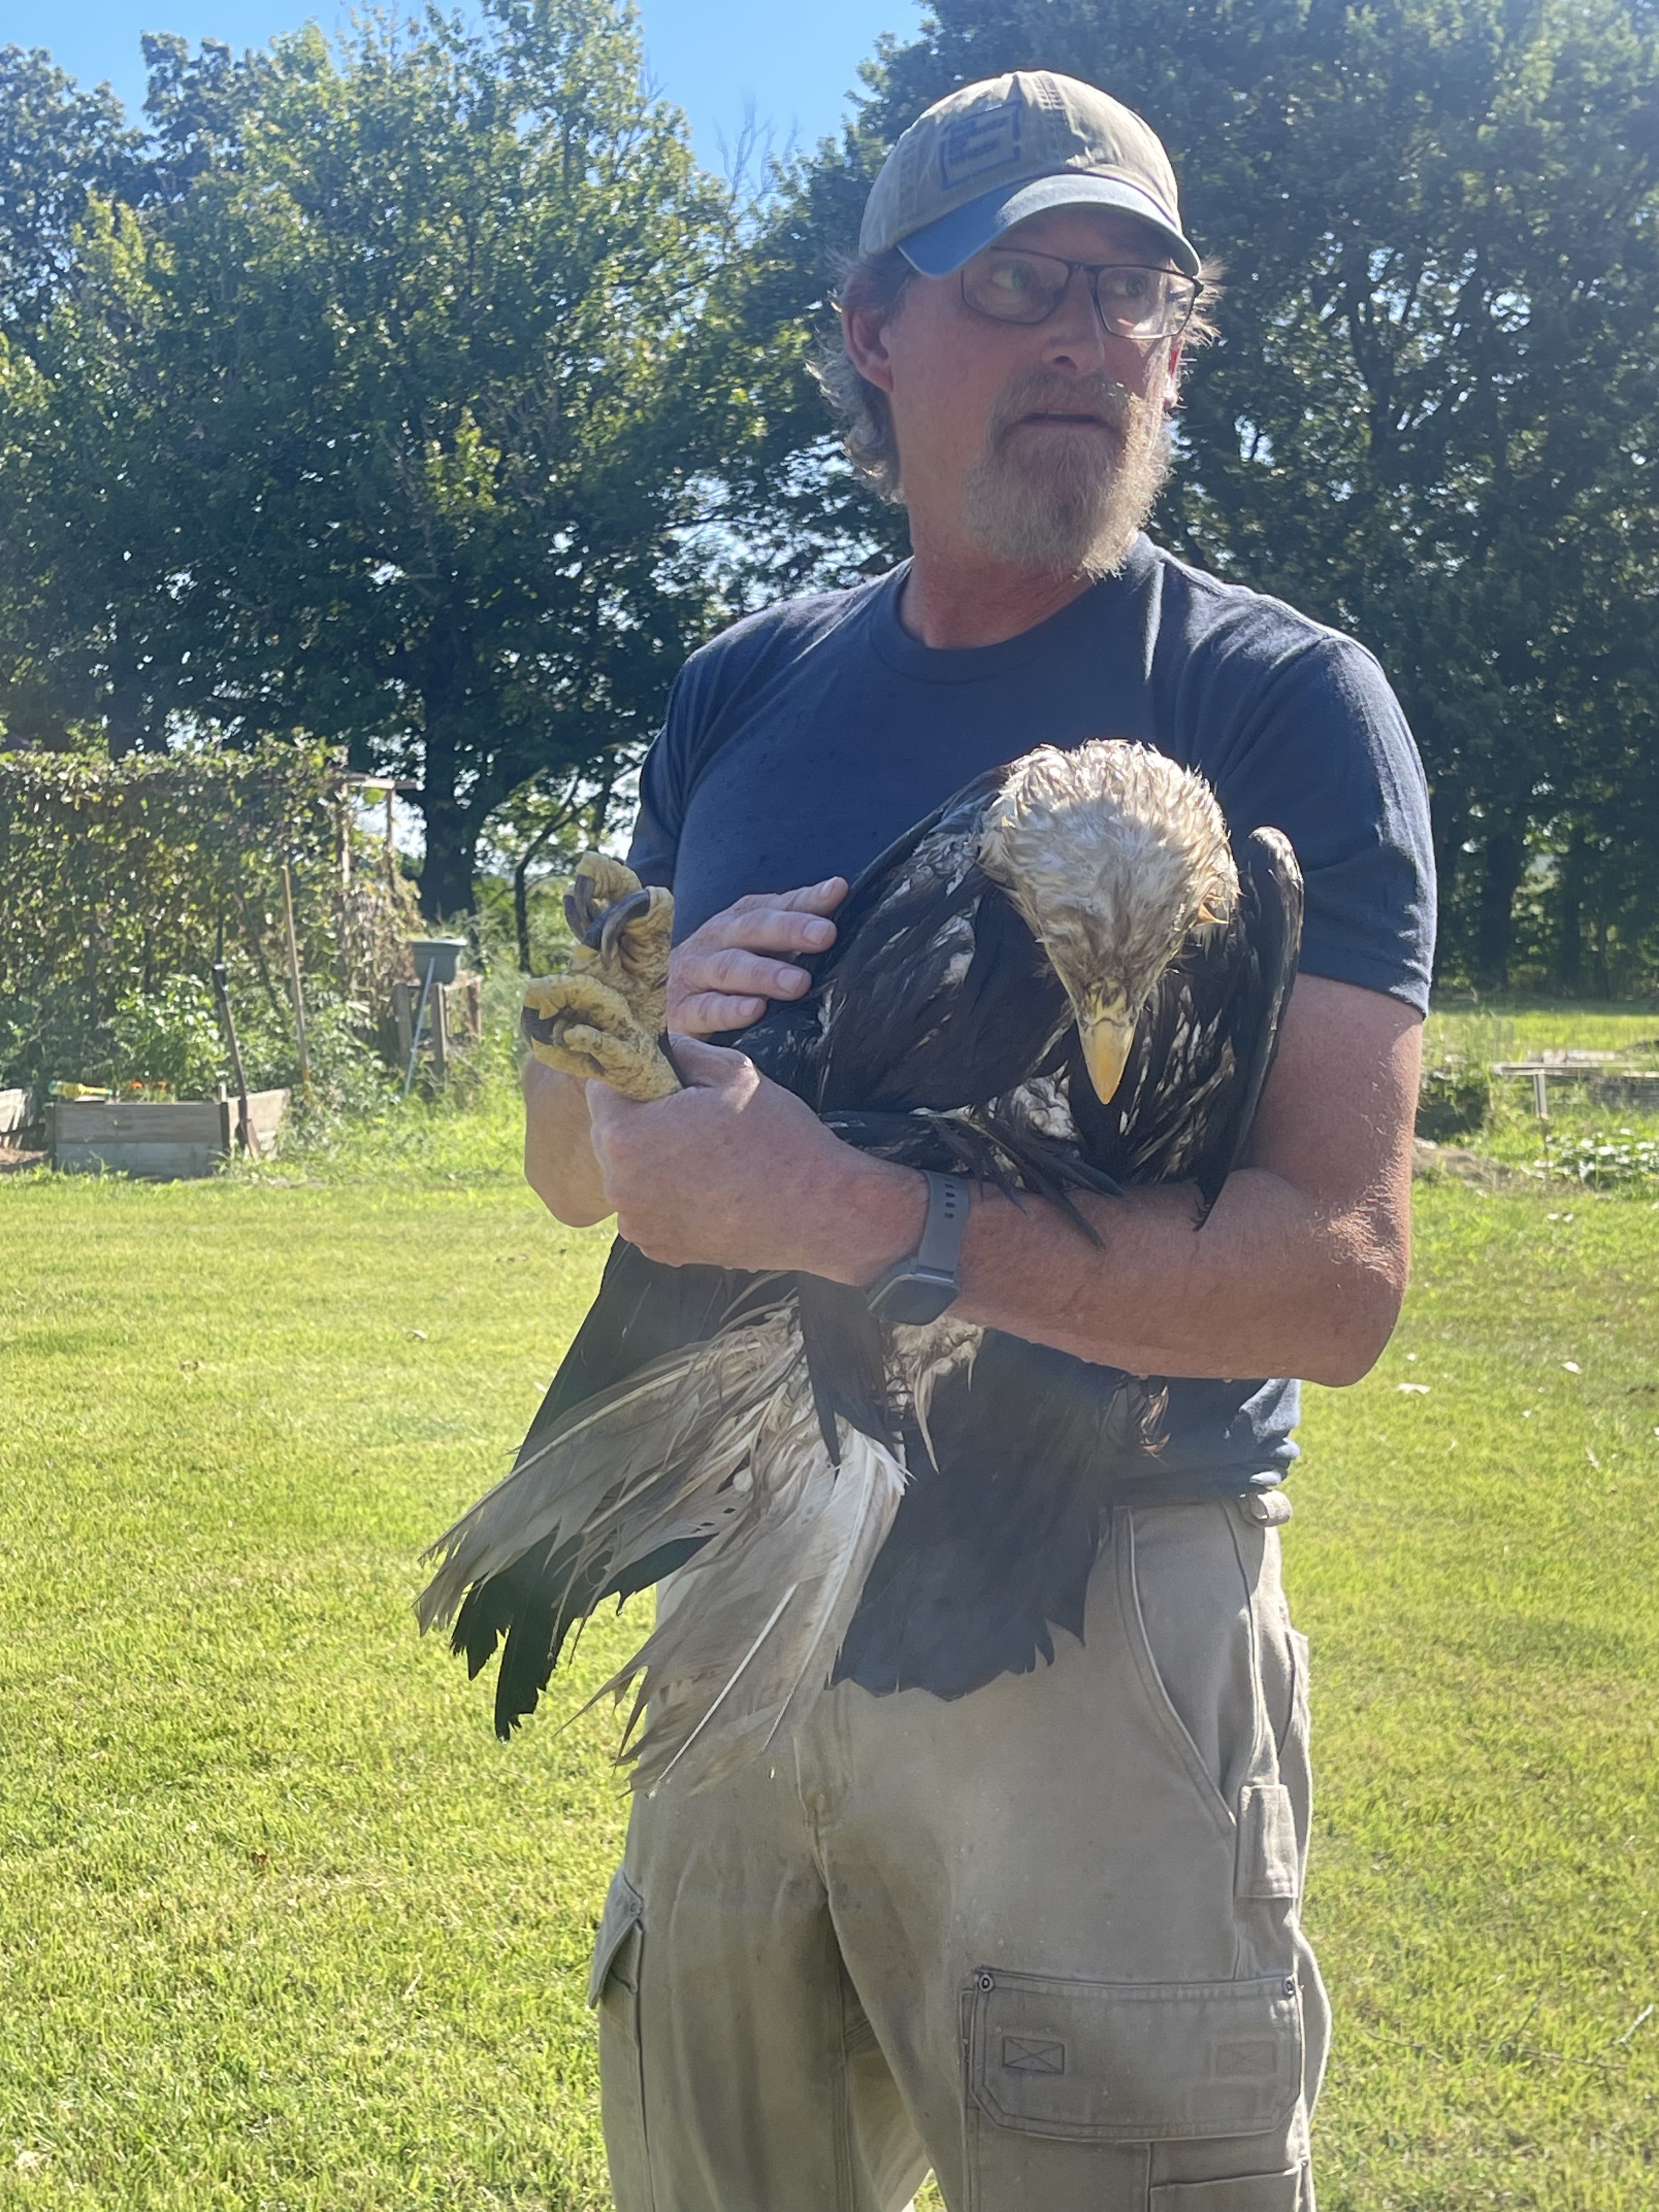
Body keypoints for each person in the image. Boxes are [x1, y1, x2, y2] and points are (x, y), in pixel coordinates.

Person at [524, 69, 1434, 2212]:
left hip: (1096, 1614)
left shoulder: (1285, 701)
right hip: (738, 1597)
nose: (1089, 336)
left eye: (1139, 291)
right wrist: (621, 1046)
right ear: (874, 327)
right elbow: (572, 1148)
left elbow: (1339, 1273)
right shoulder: (732, 691)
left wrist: (850, 1208)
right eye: (1025, 278)